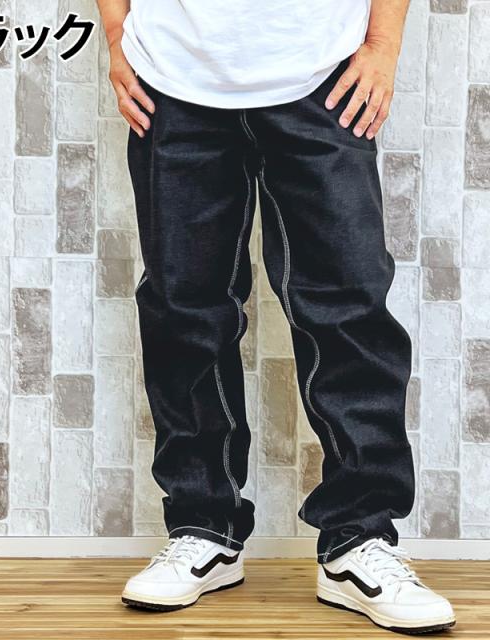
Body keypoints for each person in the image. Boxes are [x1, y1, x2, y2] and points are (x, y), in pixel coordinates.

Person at [96, 0, 456, 633]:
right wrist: (118, 34)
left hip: (323, 75)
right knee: (183, 309)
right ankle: (203, 527)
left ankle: (358, 538)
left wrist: (383, 45)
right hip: (173, 77)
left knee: (349, 306)